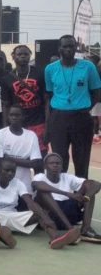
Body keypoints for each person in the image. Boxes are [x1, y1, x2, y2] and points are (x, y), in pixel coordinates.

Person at [0, 158, 80, 249]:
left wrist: (46, 218)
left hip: (12, 215)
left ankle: (54, 237)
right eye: (6, 170)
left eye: (13, 171)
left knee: (41, 213)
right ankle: (0, 232)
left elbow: (30, 203)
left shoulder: (18, 183)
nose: (10, 173)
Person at [45, 34, 101, 178]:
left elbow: (96, 91)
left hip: (81, 117)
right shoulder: (50, 69)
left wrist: (85, 109)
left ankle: (80, 196)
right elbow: (50, 93)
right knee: (59, 159)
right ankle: (61, 195)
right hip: (59, 118)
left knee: (81, 160)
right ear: (59, 48)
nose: (69, 49)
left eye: (72, 46)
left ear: (76, 47)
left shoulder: (88, 66)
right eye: (65, 46)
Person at [32, 153, 101, 242]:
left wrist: (86, 198)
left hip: (69, 212)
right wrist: (67, 194)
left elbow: (96, 184)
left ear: (61, 166)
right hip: (51, 216)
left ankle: (85, 229)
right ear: (45, 166)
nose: (55, 165)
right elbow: (36, 185)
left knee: (90, 189)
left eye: (58, 163)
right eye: (51, 163)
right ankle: (71, 229)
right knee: (43, 192)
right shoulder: (40, 177)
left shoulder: (66, 177)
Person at [2, 45, 48, 156]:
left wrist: (47, 126)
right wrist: (5, 127)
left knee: (39, 158)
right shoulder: (7, 78)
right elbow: (5, 105)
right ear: (13, 57)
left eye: (26, 54)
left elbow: (47, 101)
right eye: (19, 54)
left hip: (38, 124)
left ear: (30, 56)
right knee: (17, 157)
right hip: (18, 125)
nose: (23, 56)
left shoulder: (40, 73)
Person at [0, 105, 42, 193]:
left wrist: (9, 158)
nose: (14, 117)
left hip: (24, 183)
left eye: (17, 115)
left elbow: (35, 163)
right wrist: (25, 161)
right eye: (11, 115)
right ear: (8, 116)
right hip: (3, 182)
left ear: (23, 117)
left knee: (25, 205)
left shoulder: (31, 135)